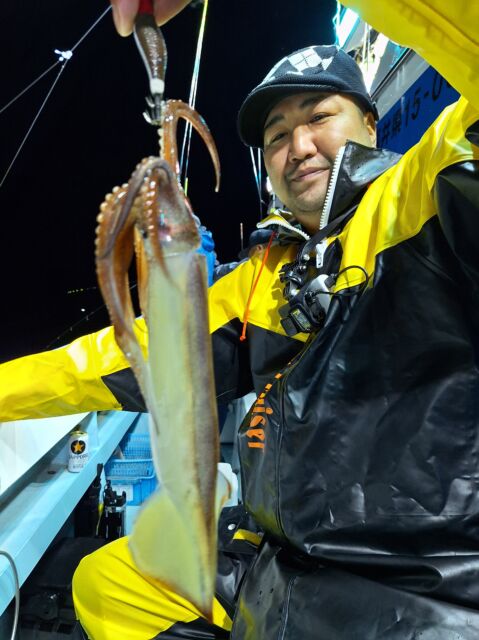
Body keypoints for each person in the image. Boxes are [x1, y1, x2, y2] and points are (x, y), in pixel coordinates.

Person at [1, 0, 479, 637]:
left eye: (320, 116)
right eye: (276, 136)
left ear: (369, 121)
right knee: (110, 583)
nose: (298, 147)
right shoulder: (269, 275)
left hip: (422, 586)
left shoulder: (423, 192)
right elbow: (121, 357)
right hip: (282, 562)